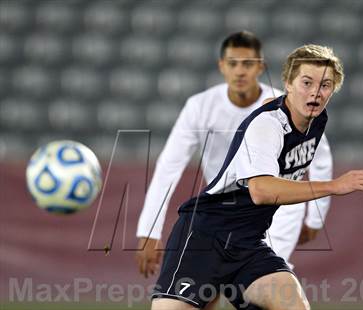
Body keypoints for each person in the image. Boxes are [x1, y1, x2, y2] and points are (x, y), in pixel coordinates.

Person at [150, 44, 363, 310]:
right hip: (204, 236)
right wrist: (334, 185)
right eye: (307, 82)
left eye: (326, 85)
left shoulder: (315, 118)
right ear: (288, 83)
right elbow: (261, 191)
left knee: (295, 306)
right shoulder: (267, 125)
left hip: (248, 243)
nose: (316, 92)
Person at [136, 31, 332, 284]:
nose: (240, 71)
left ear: (260, 66)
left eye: (248, 64)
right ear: (222, 66)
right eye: (233, 63)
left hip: (279, 207)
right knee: (208, 290)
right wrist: (149, 229)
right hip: (223, 210)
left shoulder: (291, 102)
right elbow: (168, 167)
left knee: (263, 287)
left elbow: (319, 155)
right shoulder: (200, 107)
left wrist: (315, 217)